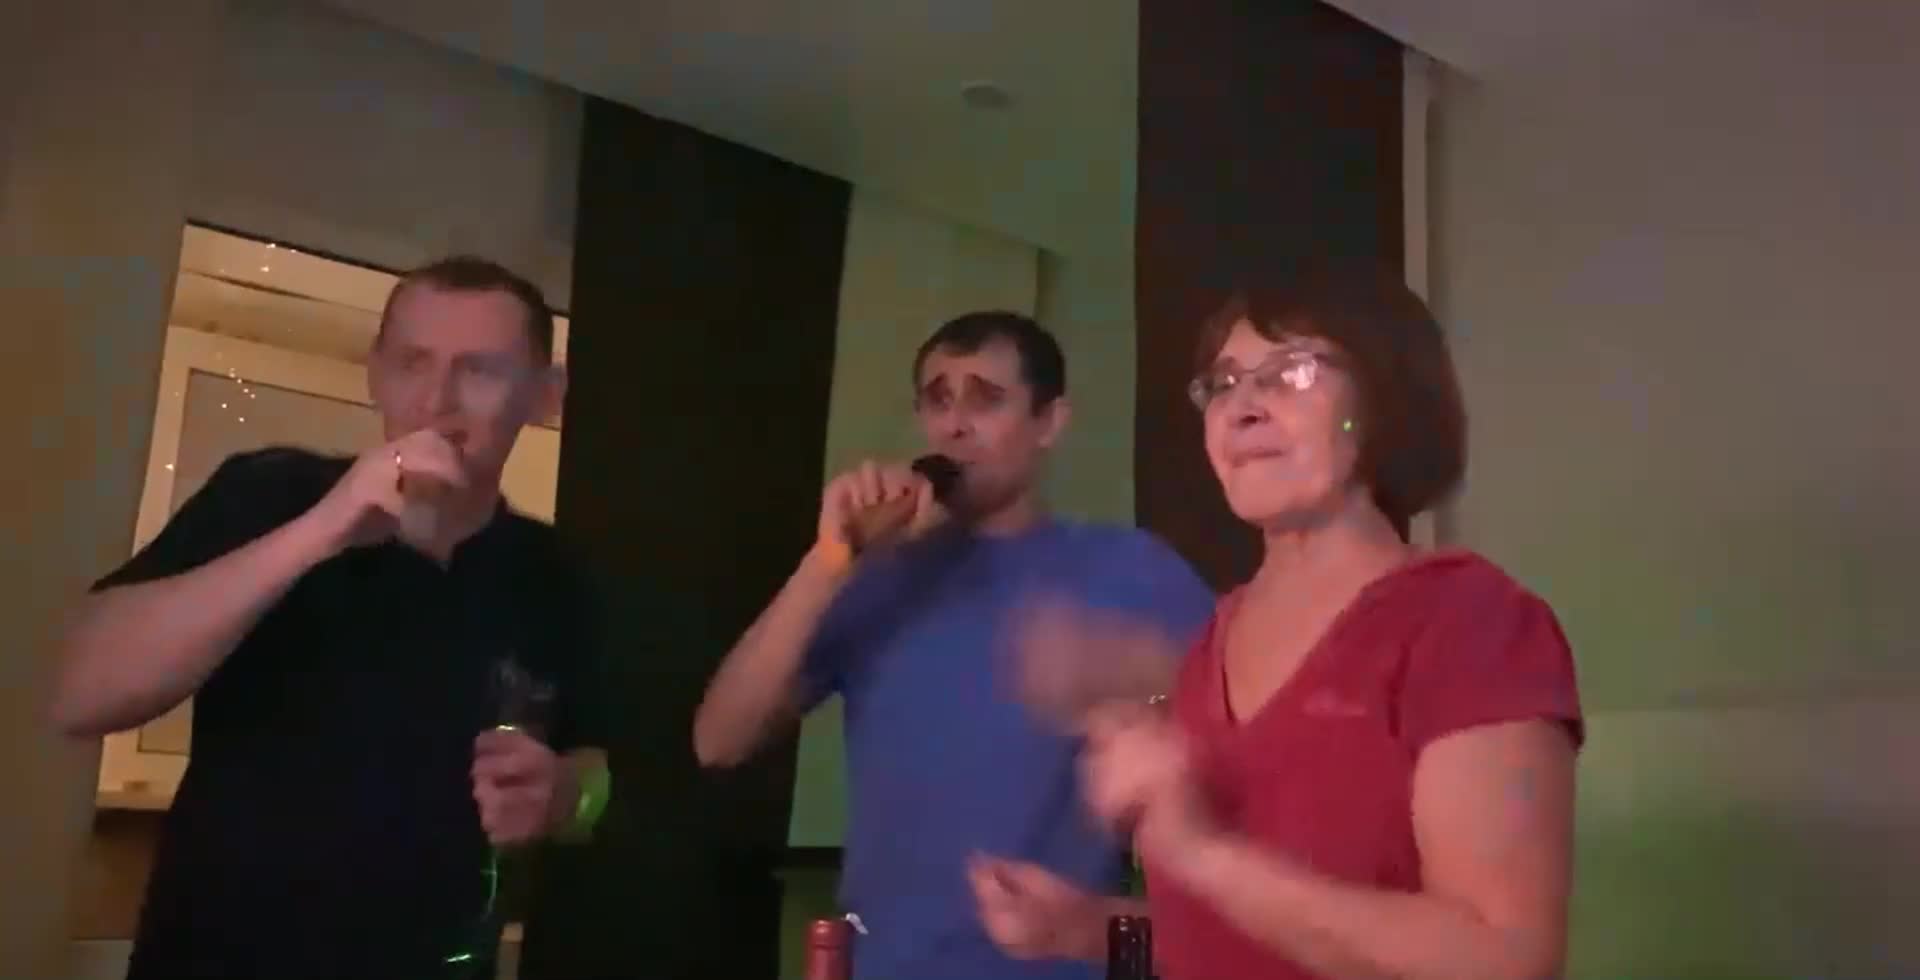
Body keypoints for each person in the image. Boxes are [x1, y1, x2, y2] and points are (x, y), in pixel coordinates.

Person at [973, 267, 1585, 980]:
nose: (1243, 407)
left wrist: (1202, 853)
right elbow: (1226, 941)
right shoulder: (1212, 642)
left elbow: (1503, 960)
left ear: (1384, 403)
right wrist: (1084, 929)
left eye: (1291, 373)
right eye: (1223, 383)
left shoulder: (1472, 622)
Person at [50, 256, 611, 980]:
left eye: (478, 370)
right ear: (375, 373)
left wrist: (566, 797)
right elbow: (80, 694)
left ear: (545, 396)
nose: (436, 400)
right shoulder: (268, 493)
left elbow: (600, 776)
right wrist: (323, 528)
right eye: (412, 362)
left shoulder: (555, 575)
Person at [693, 311, 1214, 980]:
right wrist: (826, 561)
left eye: (985, 400)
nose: (955, 426)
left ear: (1049, 422)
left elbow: (1249, 740)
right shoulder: (873, 577)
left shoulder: (1132, 569)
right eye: (938, 401)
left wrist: (1138, 677)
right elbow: (719, 741)